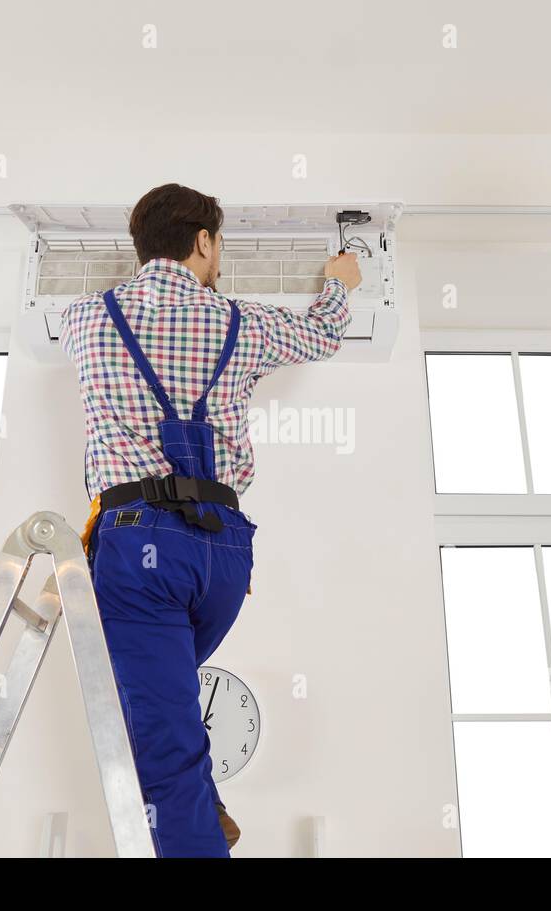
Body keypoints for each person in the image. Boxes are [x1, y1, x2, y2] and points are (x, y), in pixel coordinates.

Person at [58, 183, 362, 856]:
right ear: (202, 241)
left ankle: (195, 801)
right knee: (159, 702)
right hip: (223, 557)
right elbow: (324, 333)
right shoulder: (241, 321)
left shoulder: (83, 320)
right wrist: (340, 282)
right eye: (218, 243)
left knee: (159, 739)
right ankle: (204, 798)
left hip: (138, 549)